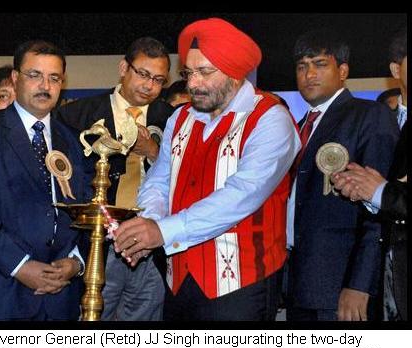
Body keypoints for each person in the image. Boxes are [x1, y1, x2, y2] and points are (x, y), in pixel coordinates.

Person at [113, 18, 300, 321]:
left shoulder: (270, 119)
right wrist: (145, 225)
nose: (192, 83)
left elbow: (241, 196)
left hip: (241, 286)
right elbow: (160, 182)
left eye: (204, 72)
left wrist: (160, 231)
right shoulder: (180, 118)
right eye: (189, 72)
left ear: (235, 72)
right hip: (177, 280)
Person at [0, 40, 91, 320]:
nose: (45, 85)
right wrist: (21, 265)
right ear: (15, 78)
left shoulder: (74, 140)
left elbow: (86, 211)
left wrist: (76, 262)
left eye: (54, 78)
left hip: (60, 296)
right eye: (35, 75)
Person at [55, 37, 174, 321]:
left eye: (158, 80)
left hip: (150, 245)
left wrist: (154, 153)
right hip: (95, 241)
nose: (149, 86)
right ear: (123, 67)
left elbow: (185, 176)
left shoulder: (173, 119)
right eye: (143, 74)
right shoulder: (75, 115)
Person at [286, 29, 399, 321]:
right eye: (301, 66)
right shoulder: (297, 127)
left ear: (343, 70)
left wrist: (359, 284)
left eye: (320, 64)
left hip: (341, 286)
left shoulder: (369, 115)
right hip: (298, 282)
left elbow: (378, 208)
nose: (309, 73)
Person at [332, 27, 407, 321]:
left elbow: (386, 191)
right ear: (395, 68)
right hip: (382, 285)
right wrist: (361, 190)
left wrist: (378, 191)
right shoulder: (378, 122)